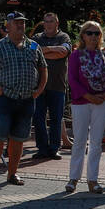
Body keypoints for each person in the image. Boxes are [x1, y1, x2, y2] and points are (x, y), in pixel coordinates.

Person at [0, 12, 47, 186]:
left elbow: (43, 69)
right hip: (6, 98)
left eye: (22, 23)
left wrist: (39, 90)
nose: (20, 25)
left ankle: (12, 174)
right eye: (16, 23)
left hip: (27, 99)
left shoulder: (33, 46)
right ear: (7, 26)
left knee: (19, 139)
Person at [65, 20, 105, 193]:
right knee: (79, 141)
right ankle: (73, 178)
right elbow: (72, 79)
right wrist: (88, 96)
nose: (93, 37)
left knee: (96, 143)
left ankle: (92, 179)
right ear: (83, 36)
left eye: (97, 33)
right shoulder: (76, 55)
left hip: (101, 102)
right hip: (81, 103)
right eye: (90, 33)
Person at [31, 12, 72, 160]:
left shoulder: (64, 37)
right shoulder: (36, 38)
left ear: (57, 23)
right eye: (46, 21)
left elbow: (64, 52)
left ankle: (54, 149)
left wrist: (44, 51)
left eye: (51, 21)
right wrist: (54, 50)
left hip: (57, 86)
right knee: (38, 119)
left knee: (56, 119)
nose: (47, 24)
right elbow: (32, 53)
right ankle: (42, 149)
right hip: (39, 86)